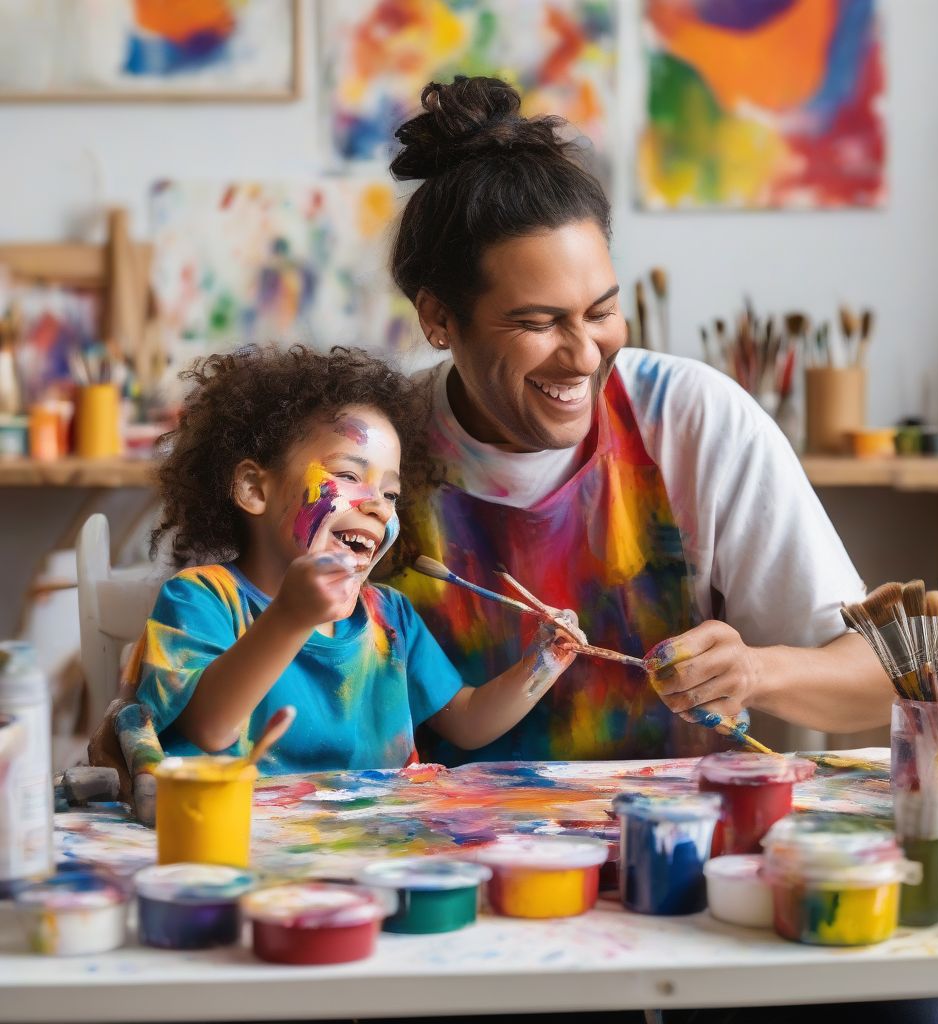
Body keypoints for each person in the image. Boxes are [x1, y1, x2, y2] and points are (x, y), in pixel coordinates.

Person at [384, 75, 892, 767]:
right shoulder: (375, 451)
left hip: (673, 852)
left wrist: (758, 671)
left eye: (600, 312)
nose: (584, 354)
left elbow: (877, 683)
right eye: (538, 323)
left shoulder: (690, 418)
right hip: (439, 851)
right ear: (439, 318)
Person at [116, 345, 578, 774]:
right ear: (255, 489)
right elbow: (210, 728)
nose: (379, 506)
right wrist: (292, 617)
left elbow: (467, 722)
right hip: (245, 842)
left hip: (373, 846)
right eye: (349, 475)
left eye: (391, 492)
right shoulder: (204, 600)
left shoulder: (389, 619)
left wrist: (541, 665)